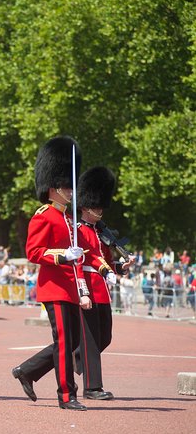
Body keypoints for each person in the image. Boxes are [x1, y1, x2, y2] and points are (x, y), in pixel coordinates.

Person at [11, 136, 104, 411]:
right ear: (53, 189)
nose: (70, 189)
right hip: (53, 288)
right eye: (66, 185)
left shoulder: (68, 219)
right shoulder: (44, 216)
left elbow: (82, 254)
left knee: (72, 341)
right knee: (65, 342)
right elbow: (33, 251)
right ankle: (67, 395)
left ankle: (27, 371)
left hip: (72, 288)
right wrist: (62, 255)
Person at [73, 166, 129, 400]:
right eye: (96, 207)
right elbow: (79, 263)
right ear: (85, 207)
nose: (100, 210)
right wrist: (82, 292)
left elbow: (105, 262)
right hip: (87, 288)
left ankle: (69, 359)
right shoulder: (78, 231)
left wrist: (120, 268)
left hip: (102, 291)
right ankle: (92, 387)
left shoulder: (101, 234)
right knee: (92, 341)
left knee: (104, 337)